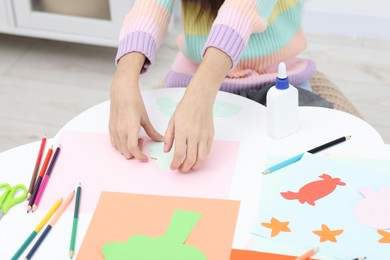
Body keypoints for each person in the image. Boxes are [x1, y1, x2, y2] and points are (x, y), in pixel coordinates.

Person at [109, 0, 316, 172]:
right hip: (192, 74)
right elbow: (151, 6)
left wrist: (201, 93)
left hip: (274, 78)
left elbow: (240, 11)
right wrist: (123, 79)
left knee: (300, 167)